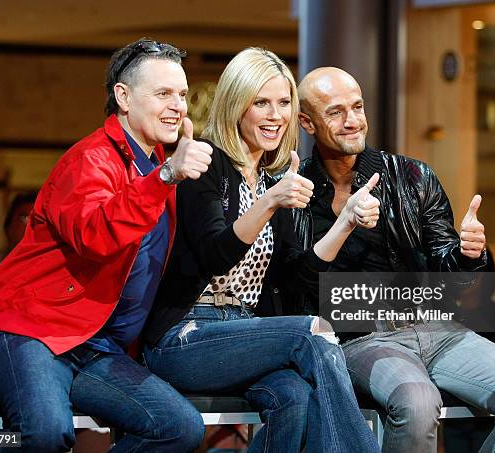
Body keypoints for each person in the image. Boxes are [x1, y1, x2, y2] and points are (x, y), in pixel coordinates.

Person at [294, 66, 495, 453]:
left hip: (437, 329)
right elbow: (299, 284)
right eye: (335, 112)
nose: (352, 121)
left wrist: (469, 255)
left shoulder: (413, 176)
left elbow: (453, 276)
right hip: (360, 338)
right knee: (417, 404)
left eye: (358, 107)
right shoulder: (298, 190)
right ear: (307, 122)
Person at [0, 38, 213, 452]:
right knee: (45, 434)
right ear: (123, 97)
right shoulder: (90, 160)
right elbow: (96, 237)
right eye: (163, 94)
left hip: (94, 343)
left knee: (180, 426)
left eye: (181, 94)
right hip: (32, 331)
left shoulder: (158, 162)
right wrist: (166, 178)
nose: (178, 105)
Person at [143, 48, 381, 453]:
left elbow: (297, 276)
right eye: (262, 103)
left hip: (246, 329)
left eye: (284, 102)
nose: (276, 115)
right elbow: (214, 254)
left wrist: (345, 223)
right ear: (237, 105)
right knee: (313, 334)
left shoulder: (273, 177)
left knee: (293, 396)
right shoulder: (206, 164)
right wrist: (269, 202)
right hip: (186, 334)